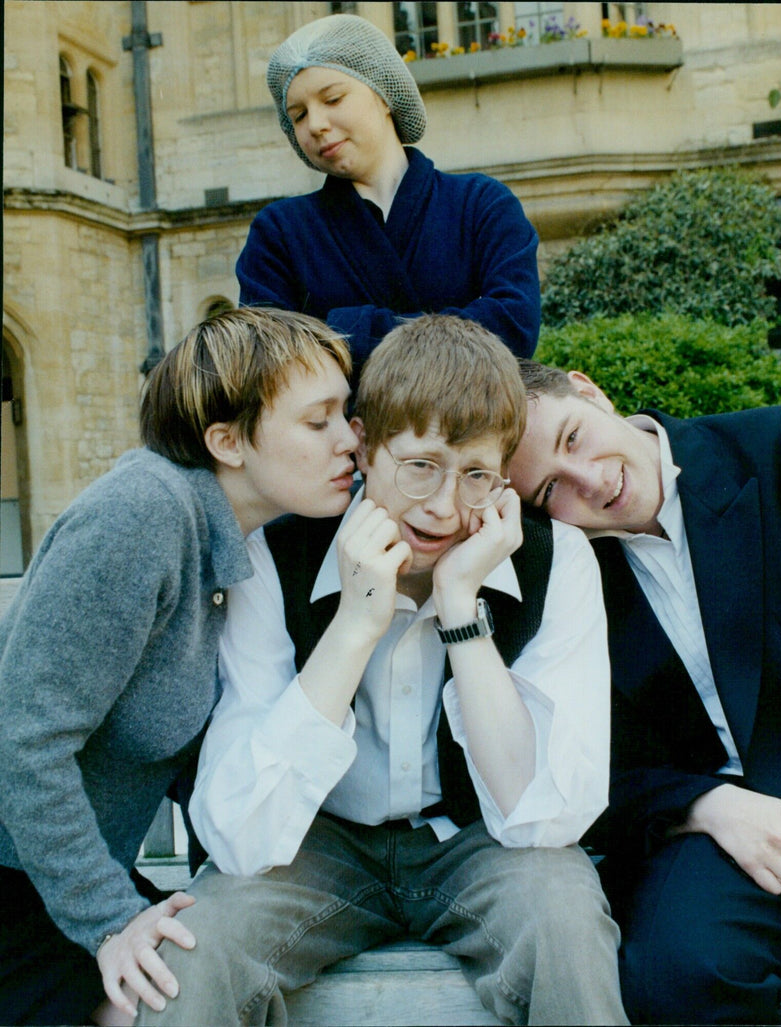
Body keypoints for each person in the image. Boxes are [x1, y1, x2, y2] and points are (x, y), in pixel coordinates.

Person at [136, 314, 626, 1027]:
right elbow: (239, 831)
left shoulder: (557, 560)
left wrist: (462, 609)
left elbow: (547, 817)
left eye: (478, 476)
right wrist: (356, 625)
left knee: (569, 927)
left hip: (478, 841)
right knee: (193, 954)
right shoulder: (277, 555)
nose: (445, 507)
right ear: (364, 444)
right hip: (316, 845)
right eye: (420, 465)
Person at [0, 307, 358, 1026]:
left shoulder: (231, 545)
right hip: (22, 882)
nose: (351, 439)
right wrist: (109, 919)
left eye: (346, 413)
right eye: (318, 422)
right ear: (226, 440)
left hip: (52, 877)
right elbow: (23, 736)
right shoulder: (143, 515)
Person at [507, 361, 781, 1025]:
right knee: (675, 974)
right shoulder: (560, 577)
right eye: (552, 487)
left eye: (574, 437)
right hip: (724, 830)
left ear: (589, 390)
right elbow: (583, 770)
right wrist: (706, 804)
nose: (590, 481)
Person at [236, 13, 541, 382]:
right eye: (298, 115)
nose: (315, 124)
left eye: (332, 98)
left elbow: (514, 327)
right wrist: (459, 326)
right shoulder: (279, 233)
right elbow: (270, 363)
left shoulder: (482, 204)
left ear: (383, 94)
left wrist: (346, 329)